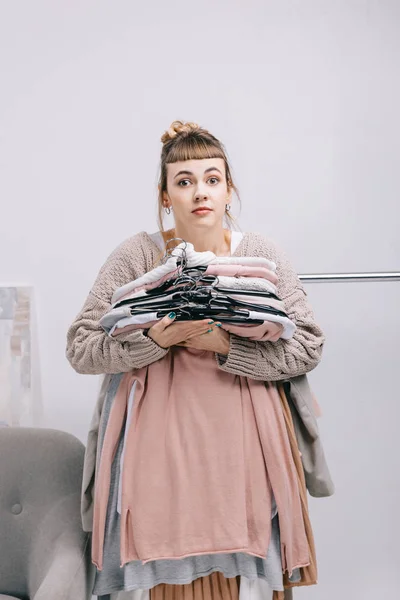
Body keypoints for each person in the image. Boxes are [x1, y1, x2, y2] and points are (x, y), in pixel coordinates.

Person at [66, 120, 325, 600]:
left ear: (229, 190)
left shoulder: (263, 254)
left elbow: (307, 346)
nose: (199, 192)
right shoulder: (137, 254)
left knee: (248, 558)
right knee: (171, 569)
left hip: (247, 444)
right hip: (157, 449)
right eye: (183, 182)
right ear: (165, 195)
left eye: (212, 179)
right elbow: (81, 347)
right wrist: (155, 340)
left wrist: (225, 345)